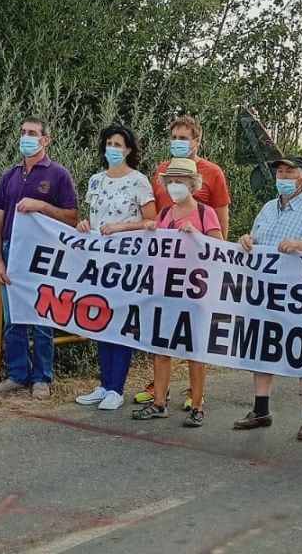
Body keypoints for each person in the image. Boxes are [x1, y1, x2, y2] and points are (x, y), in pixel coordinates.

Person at [233, 154, 302, 441]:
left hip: (300, 294)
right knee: (261, 347)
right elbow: (255, 238)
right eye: (280, 172)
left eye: (289, 173)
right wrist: (246, 240)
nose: (283, 177)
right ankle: (261, 409)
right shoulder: (267, 208)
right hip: (265, 291)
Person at [136, 116, 232, 408]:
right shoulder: (161, 175)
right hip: (167, 277)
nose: (177, 142)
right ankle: (159, 395)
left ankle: (196, 397)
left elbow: (219, 229)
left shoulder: (213, 176)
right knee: (162, 341)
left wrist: (211, 257)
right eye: (174, 137)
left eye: (183, 137)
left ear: (196, 141)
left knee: (193, 342)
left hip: (195, 279)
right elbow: (153, 218)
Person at [0, 117, 79, 399]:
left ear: (45, 140)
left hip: (43, 254)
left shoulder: (58, 174)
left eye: (33, 133)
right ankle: (17, 374)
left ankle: (42, 378)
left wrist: (41, 206)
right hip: (11, 252)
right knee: (13, 318)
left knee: (42, 316)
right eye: (23, 132)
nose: (26, 137)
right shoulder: (9, 176)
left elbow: (72, 218)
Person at [130, 159, 222, 427]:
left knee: (195, 350)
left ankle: (197, 404)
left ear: (192, 184)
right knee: (161, 348)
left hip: (195, 292)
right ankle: (159, 402)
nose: (174, 186)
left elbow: (220, 249)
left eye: (180, 181)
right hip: (165, 290)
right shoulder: (165, 214)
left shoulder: (206, 213)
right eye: (170, 181)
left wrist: (198, 235)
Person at [74, 125, 156, 411]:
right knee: (100, 318)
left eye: (118, 144)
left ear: (129, 150)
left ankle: (117, 388)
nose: (113, 148)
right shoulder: (96, 180)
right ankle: (104, 383)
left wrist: (123, 227)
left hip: (126, 264)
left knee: (120, 322)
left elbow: (151, 222)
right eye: (109, 143)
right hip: (97, 261)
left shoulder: (139, 181)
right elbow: (92, 217)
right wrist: (83, 225)